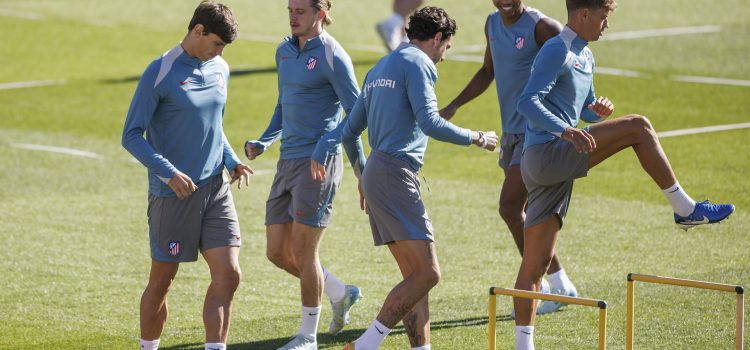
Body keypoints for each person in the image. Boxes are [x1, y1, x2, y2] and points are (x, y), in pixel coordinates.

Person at [512, 0, 735, 348]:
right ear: (584, 14)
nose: (606, 25)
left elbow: (584, 109)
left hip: (551, 162)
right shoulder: (557, 49)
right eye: (603, 17)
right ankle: (685, 208)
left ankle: (522, 346)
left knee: (536, 264)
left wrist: (597, 111)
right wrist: (566, 131)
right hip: (546, 154)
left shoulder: (586, 55)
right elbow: (527, 102)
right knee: (639, 128)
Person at [311, 7, 499, 350]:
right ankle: (365, 344)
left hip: (378, 174)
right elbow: (430, 122)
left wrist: (354, 168)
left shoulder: (381, 65)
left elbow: (351, 128)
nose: (443, 57)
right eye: (446, 47)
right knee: (428, 274)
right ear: (438, 38)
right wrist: (476, 137)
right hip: (395, 175)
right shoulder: (419, 63)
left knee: (415, 278)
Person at [121, 2, 253, 350]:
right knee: (163, 280)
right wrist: (168, 173)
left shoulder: (220, 68)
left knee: (229, 274)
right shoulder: (160, 71)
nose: (220, 52)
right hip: (173, 196)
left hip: (215, 189)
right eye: (217, 44)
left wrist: (231, 160)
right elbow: (131, 135)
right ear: (198, 31)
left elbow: (213, 126)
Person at [439, 0, 576, 316]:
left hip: (537, 133)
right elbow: (488, 71)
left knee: (510, 207)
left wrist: (565, 121)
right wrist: (454, 106)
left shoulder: (543, 27)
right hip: (512, 135)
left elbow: (574, 72)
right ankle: (561, 285)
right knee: (528, 214)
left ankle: (538, 287)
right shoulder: (492, 24)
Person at [243, 1, 364, 349]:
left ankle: (307, 338)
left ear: (320, 14)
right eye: (290, 10)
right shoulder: (283, 51)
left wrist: (353, 166)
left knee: (304, 251)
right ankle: (340, 292)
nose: (293, 17)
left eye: (300, 10)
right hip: (287, 161)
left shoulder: (332, 55)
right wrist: (264, 141)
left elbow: (358, 113)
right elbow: (284, 103)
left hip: (318, 165)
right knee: (277, 253)